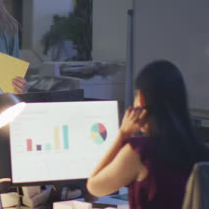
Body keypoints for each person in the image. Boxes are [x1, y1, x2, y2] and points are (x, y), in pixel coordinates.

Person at [86, 60, 208, 209]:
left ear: (142, 99)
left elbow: (94, 187)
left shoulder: (140, 151)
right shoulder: (201, 152)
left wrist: (123, 134)